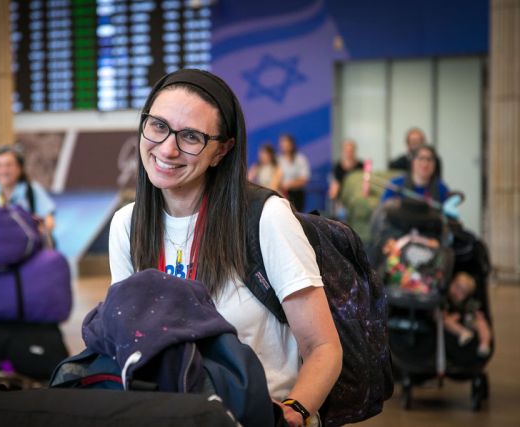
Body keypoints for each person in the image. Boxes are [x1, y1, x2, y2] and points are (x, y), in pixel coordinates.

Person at [108, 69, 342, 427]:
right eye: (158, 126)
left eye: (191, 136)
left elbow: (323, 347)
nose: (167, 148)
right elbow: (125, 342)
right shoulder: (127, 225)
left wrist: (295, 411)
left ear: (221, 150)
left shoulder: (265, 218)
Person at [0, 145, 56, 237]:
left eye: (8, 165)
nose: (3, 171)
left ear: (20, 168)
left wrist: (40, 228)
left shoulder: (31, 190)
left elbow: (49, 221)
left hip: (25, 244)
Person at [443, 272, 492, 358]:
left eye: (463, 292)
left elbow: (476, 311)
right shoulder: (446, 299)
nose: (458, 292)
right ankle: (463, 332)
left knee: (481, 323)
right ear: (451, 284)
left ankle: (484, 344)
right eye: (457, 287)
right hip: (454, 322)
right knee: (446, 321)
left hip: (468, 319)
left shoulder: (469, 303)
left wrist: (478, 316)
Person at [381, 144, 449, 204]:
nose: (425, 164)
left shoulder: (441, 188)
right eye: (421, 158)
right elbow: (382, 209)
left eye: (429, 159)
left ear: (435, 164)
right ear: (413, 161)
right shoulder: (395, 185)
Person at [278, 134, 310, 211]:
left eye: (287, 145)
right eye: (283, 145)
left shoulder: (300, 159)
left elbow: (304, 179)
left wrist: (288, 185)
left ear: (292, 145)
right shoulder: (279, 160)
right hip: (281, 194)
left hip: (297, 195)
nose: (285, 147)